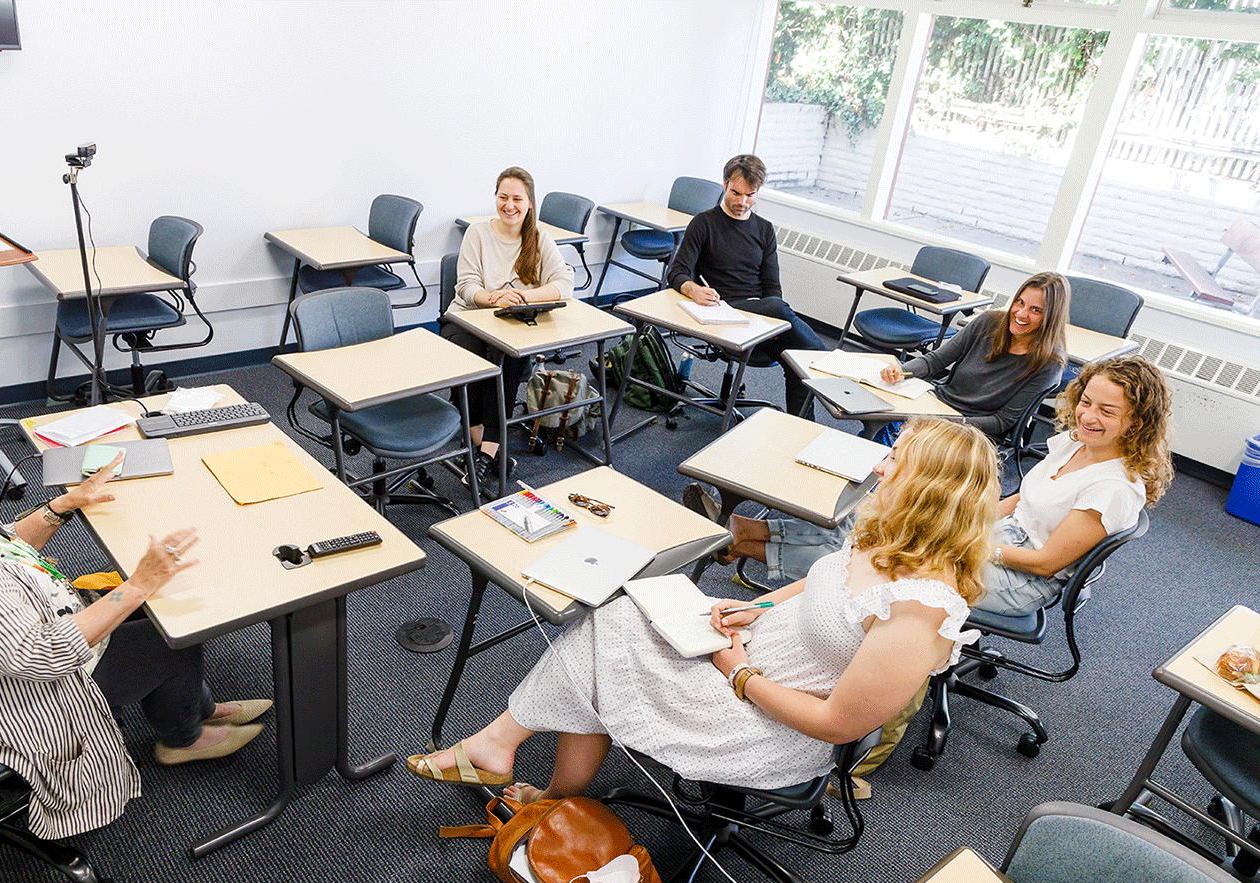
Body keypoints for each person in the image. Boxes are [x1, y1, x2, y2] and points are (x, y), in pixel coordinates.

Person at [406, 418, 1000, 801]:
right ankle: (522, 764)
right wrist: (756, 606)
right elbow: (827, 582)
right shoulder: (894, 535)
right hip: (747, 654)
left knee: (602, 644)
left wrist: (735, 670)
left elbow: (836, 726)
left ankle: (520, 766)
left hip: (767, 721)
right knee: (613, 618)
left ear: (928, 490)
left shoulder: (920, 614)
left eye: (894, 460)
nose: (878, 465)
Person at [0, 390, 272, 839]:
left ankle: (201, 709)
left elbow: (0, 546)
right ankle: (184, 739)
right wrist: (138, 584)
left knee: (152, 610)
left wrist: (61, 506)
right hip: (0, 700)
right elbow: (41, 655)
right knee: (171, 630)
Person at [719, 355, 1172, 618]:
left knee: (886, 558)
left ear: (1138, 420)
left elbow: (1045, 562)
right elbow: (1019, 500)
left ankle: (742, 542)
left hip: (1023, 578)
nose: (1089, 416)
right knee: (885, 523)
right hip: (1001, 538)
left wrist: (958, 539)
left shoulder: (1114, 488)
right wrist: (960, 519)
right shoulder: (1075, 443)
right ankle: (745, 533)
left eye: (1107, 412)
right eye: (1087, 402)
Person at [441, 166, 574, 488]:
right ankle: (487, 449)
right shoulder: (478, 233)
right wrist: (493, 299)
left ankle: (485, 453)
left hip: (511, 323)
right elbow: (466, 286)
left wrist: (520, 297)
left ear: (529, 203)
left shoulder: (539, 237)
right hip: (467, 318)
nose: (509, 205)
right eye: (503, 197)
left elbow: (564, 284)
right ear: (496, 198)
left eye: (517, 198)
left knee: (508, 359)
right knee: (472, 360)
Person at [667, 154, 824, 415]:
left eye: (750, 195)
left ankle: (803, 432)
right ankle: (826, 359)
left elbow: (772, 285)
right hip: (725, 311)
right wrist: (693, 289)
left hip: (763, 316)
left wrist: (770, 324)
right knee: (779, 308)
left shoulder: (764, 229)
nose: (742, 202)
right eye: (736, 193)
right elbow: (677, 272)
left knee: (797, 360)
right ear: (725, 184)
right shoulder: (704, 223)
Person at [875, 271, 1070, 439]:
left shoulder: (1049, 363)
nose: (1021, 313)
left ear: (1051, 318)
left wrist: (948, 422)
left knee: (901, 449)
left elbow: (1002, 422)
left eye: (1035, 310)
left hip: (974, 430)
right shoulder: (988, 322)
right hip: (939, 405)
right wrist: (902, 370)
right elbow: (935, 361)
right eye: (1020, 302)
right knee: (881, 432)